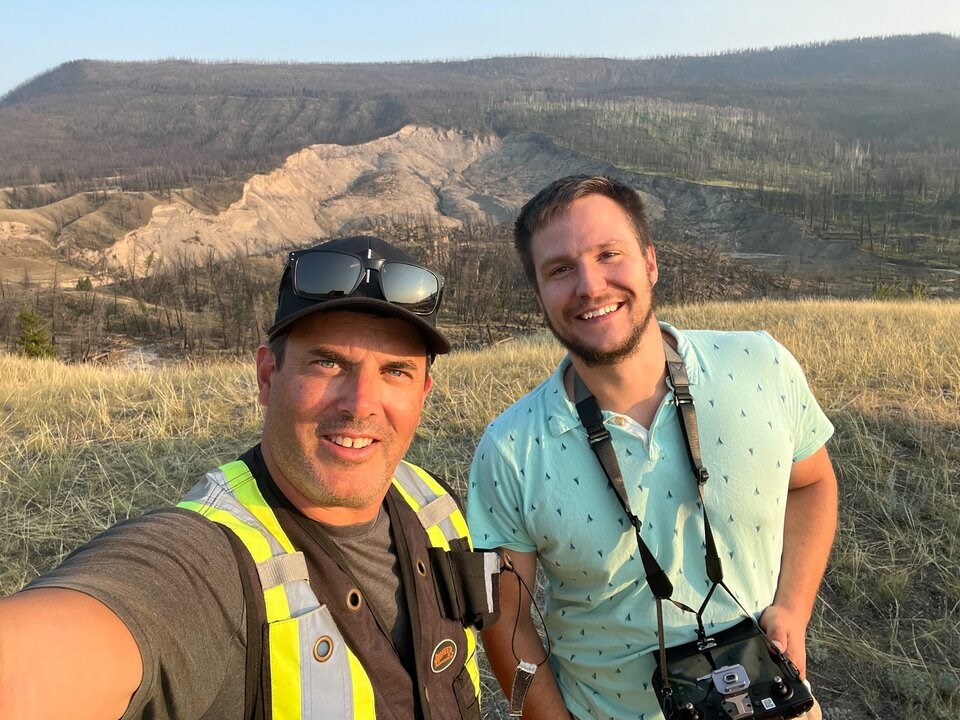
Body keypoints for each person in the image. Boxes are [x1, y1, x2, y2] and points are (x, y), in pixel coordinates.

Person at [0, 235, 498, 720]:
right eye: (327, 363)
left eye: (395, 371)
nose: (362, 403)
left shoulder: (430, 499)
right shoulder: (208, 560)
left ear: (424, 391)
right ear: (267, 376)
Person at [466, 175, 838, 720]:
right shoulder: (509, 449)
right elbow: (508, 619)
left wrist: (792, 608)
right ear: (540, 296)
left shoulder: (762, 368)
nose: (590, 286)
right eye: (560, 269)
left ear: (650, 262)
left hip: (770, 702)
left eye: (608, 254)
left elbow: (812, 482)